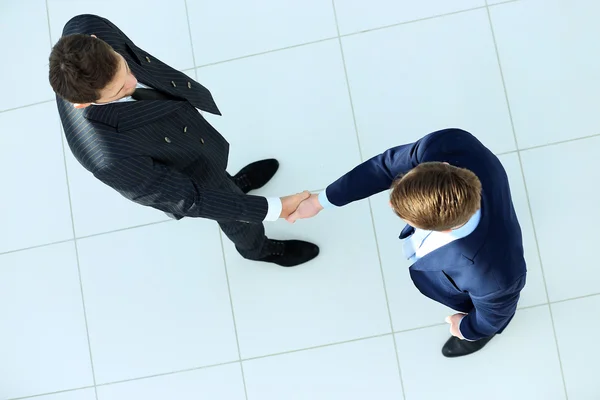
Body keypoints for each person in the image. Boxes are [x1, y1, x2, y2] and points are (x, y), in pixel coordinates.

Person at [48, 14, 318, 267]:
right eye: (121, 90)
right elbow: (191, 199)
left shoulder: (85, 25)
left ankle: (231, 183)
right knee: (227, 206)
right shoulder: (107, 157)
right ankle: (257, 249)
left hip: (177, 129)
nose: (133, 81)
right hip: (178, 168)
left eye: (125, 67)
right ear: (83, 104)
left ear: (96, 41)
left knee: (216, 171)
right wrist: (275, 208)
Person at [287, 128, 527, 357]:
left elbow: (494, 314)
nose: (390, 203)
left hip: (477, 285)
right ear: (441, 166)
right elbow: (385, 166)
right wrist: (321, 201)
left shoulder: (493, 274)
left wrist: (466, 329)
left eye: (401, 213)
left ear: (440, 229)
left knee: (488, 313)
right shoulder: (450, 144)